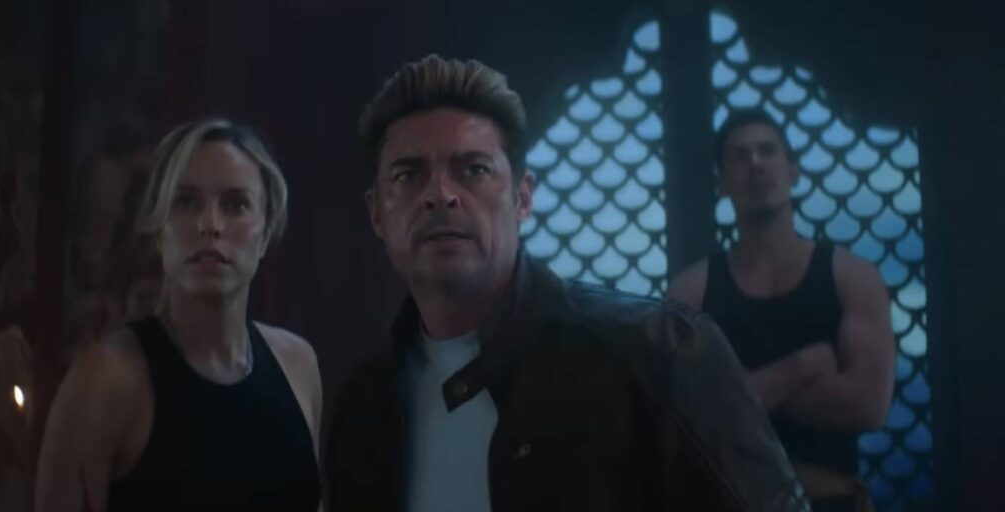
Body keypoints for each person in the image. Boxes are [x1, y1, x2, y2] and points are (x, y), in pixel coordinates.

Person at [326, 54, 808, 512]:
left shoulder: (657, 352)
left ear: (523, 198)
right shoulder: (363, 407)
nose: (440, 195)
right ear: (376, 213)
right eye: (409, 175)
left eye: (473, 170)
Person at [36, 118, 323, 512]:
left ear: (266, 230)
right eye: (186, 202)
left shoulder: (297, 366)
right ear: (159, 229)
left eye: (235, 204)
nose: (210, 225)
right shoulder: (108, 382)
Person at [669, 109, 896, 512]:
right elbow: (690, 418)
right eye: (740, 156)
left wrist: (745, 393)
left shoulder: (852, 278)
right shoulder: (692, 292)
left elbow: (868, 406)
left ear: (793, 171)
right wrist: (803, 367)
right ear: (722, 183)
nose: (755, 163)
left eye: (767, 150)